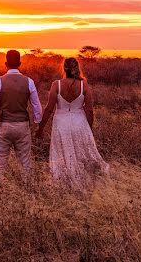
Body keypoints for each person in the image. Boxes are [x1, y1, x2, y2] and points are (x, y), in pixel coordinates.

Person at [35, 57, 109, 186]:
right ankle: (85, 180)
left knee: (63, 152)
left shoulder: (56, 85)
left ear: (64, 68)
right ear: (77, 68)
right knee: (82, 152)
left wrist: (40, 128)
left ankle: (63, 182)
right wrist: (89, 128)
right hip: (80, 123)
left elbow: (48, 109)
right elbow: (90, 110)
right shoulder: (84, 85)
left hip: (61, 124)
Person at [0, 49, 42, 185]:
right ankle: (28, 190)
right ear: (20, 63)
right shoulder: (29, 82)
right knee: (25, 162)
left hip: (3, 126)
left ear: (5, 64)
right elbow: (37, 107)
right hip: (22, 126)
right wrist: (39, 124)